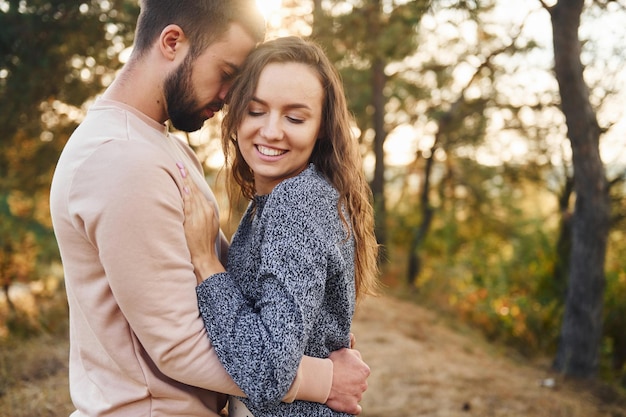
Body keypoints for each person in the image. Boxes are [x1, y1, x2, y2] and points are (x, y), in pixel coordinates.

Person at [49, 2, 370, 416]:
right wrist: (323, 378)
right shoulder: (122, 159)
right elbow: (180, 343)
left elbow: (229, 278)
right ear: (172, 42)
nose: (228, 95)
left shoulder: (165, 148)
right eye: (226, 75)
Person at [180, 36, 380, 417]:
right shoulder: (288, 198)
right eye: (256, 111)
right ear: (235, 115)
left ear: (321, 127)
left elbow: (269, 371)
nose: (271, 131)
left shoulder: (296, 203)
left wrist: (206, 263)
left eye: (294, 118)